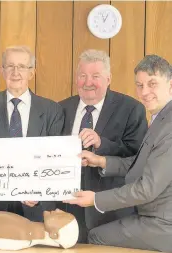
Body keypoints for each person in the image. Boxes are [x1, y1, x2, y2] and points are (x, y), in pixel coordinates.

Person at [66, 55, 172, 252]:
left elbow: (146, 189)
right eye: (139, 85)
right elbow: (139, 163)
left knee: (96, 236)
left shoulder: (167, 125)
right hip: (150, 214)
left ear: (170, 85)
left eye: (152, 84)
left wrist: (96, 199)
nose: (145, 92)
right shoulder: (160, 118)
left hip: (162, 222)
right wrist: (101, 161)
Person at [57, 49, 148, 242]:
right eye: (83, 75)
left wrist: (101, 144)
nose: (88, 82)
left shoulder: (132, 109)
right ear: (76, 79)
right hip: (66, 210)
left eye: (95, 76)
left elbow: (137, 160)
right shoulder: (60, 109)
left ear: (108, 78)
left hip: (111, 213)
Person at [0, 46, 64, 222]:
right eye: (10, 66)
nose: (15, 72)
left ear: (32, 73)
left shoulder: (52, 110)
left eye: (22, 66)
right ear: (1, 71)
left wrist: (38, 193)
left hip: (37, 207)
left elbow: (55, 159)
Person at [0, 209, 78, 250]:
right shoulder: (23, 230)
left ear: (54, 234)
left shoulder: (21, 236)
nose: (58, 210)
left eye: (62, 216)